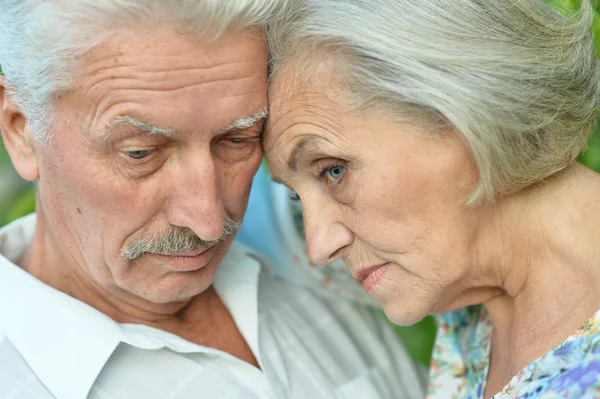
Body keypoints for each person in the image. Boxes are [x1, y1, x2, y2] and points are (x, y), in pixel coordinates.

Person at [0, 1, 425, 398]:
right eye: (141, 153)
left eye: (237, 139)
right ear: (22, 131)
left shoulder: (318, 264)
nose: (207, 220)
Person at [263, 0, 600, 397]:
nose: (319, 246)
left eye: (333, 170)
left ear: (468, 105)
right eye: (297, 198)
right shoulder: (471, 307)